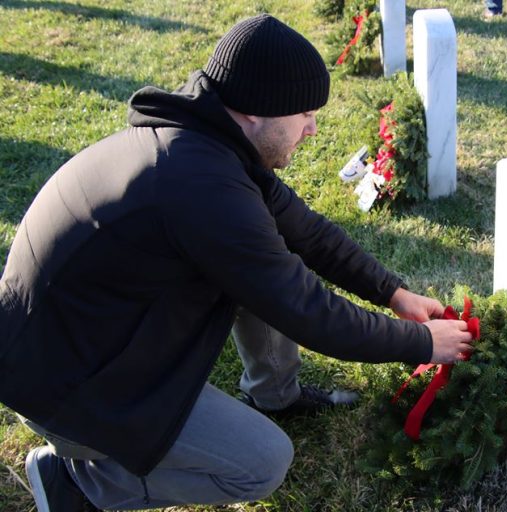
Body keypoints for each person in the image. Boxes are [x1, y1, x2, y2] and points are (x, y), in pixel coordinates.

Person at [0, 14, 475, 511]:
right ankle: (76, 483)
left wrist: (392, 293)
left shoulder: (208, 142)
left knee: (267, 260)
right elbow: (307, 311)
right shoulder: (202, 187)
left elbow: (307, 233)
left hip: (80, 338)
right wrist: (420, 343)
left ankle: (276, 394)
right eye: (304, 113)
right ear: (255, 111)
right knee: (261, 463)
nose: (312, 129)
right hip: (62, 385)